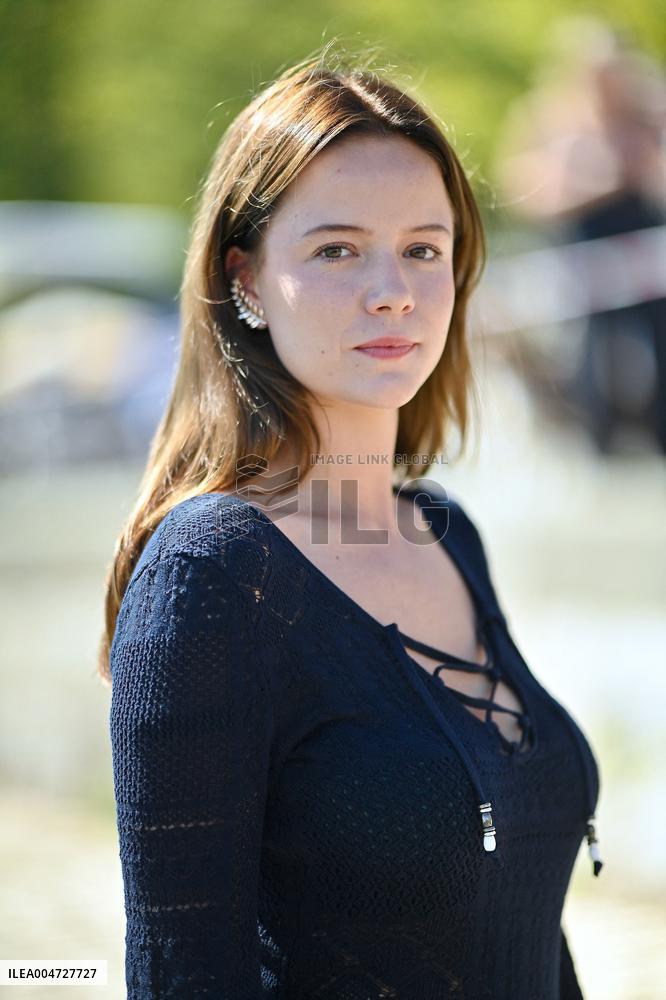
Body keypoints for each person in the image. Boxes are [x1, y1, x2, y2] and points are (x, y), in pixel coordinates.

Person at [100, 45, 603, 999]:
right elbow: (181, 973)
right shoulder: (213, 576)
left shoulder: (448, 535)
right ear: (244, 280)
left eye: (423, 247)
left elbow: (528, 927)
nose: (393, 290)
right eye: (337, 249)